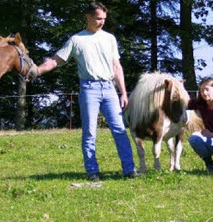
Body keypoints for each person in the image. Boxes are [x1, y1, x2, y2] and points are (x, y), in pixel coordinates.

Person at [34, 2, 137, 181]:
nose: (102, 22)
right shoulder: (76, 40)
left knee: (120, 130)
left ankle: (129, 170)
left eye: (104, 19)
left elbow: (116, 66)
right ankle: (92, 172)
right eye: (98, 18)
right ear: (88, 17)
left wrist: (124, 93)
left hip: (109, 89)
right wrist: (37, 70)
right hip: (89, 89)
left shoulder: (109, 39)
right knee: (90, 132)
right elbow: (55, 60)